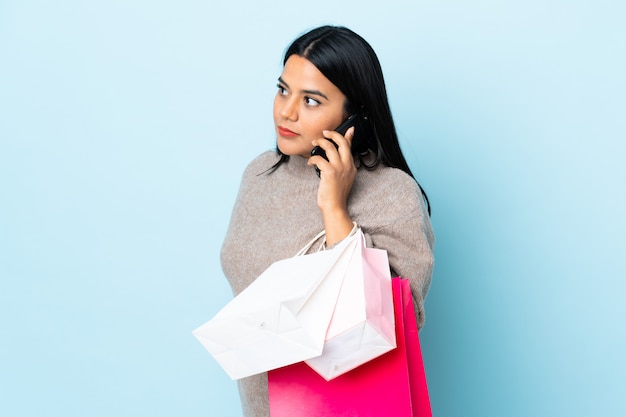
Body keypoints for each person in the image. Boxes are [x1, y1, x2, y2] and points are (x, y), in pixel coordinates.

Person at [220, 25, 435, 417]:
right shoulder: (260, 175)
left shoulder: (392, 193)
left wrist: (335, 208)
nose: (286, 111)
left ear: (354, 115)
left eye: (312, 100)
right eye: (283, 89)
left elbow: (387, 324)